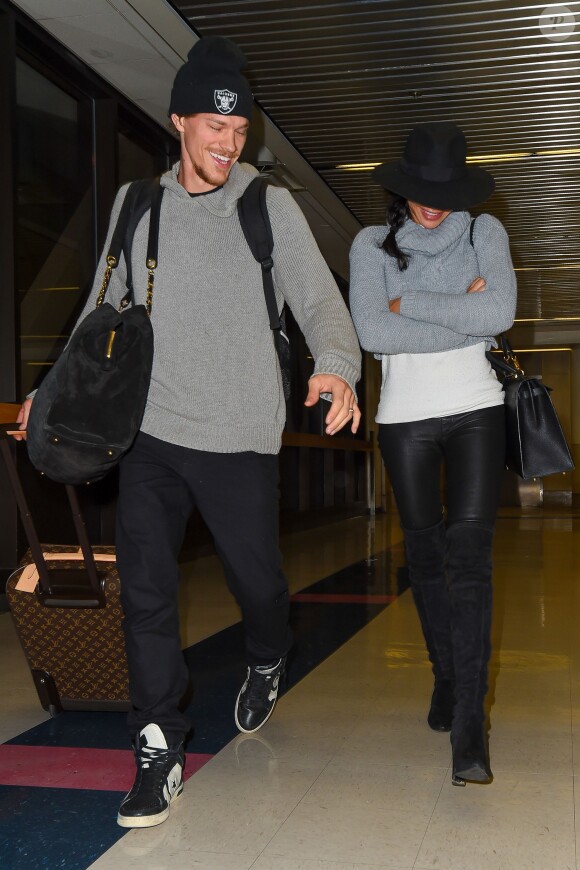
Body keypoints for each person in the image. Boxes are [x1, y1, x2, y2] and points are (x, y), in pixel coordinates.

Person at [16, 36, 361, 827]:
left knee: (259, 586)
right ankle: (157, 744)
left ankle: (269, 654)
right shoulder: (137, 205)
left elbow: (318, 305)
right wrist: (49, 389)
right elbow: (96, 311)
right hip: (151, 432)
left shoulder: (267, 207)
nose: (226, 145)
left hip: (240, 434)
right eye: (213, 127)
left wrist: (337, 365)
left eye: (239, 133)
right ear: (179, 121)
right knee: (145, 591)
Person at [349, 122, 516, 786]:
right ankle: (446, 677)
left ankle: (470, 724)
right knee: (425, 559)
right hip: (404, 420)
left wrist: (409, 302)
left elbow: (498, 314)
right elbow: (370, 329)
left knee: (470, 562)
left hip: (478, 410)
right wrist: (457, 308)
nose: (432, 203)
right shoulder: (370, 244)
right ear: (402, 186)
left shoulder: (485, 235)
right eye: (422, 190)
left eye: (445, 191)